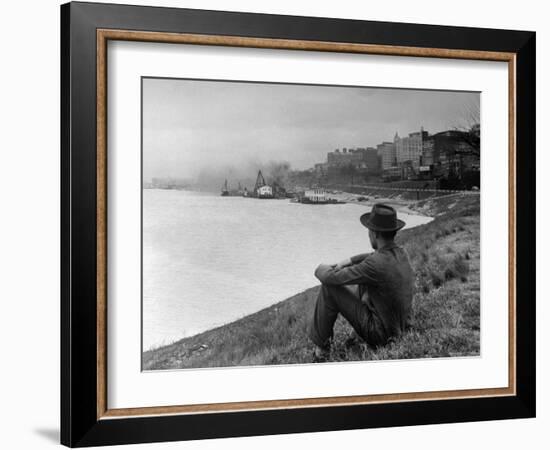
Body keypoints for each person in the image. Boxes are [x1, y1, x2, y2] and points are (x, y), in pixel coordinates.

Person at [308, 203, 414, 361]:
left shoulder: (374, 265)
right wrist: (347, 261)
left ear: (375, 233)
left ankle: (321, 352)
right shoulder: (401, 253)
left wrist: (319, 268)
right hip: (402, 328)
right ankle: (355, 337)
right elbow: (371, 256)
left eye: (369, 230)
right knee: (365, 282)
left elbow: (330, 278)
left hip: (382, 336)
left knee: (329, 289)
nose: (368, 234)